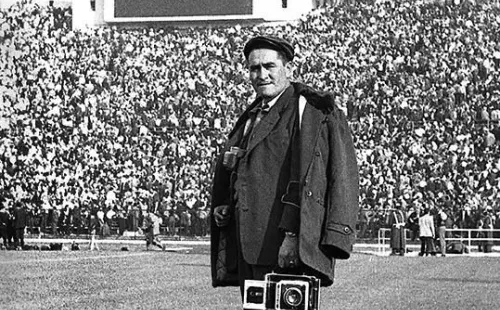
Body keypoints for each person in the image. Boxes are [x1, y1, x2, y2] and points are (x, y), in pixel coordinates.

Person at [210, 36, 359, 297]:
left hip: (282, 246)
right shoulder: (252, 115)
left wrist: (292, 236)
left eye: (270, 66)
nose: (262, 75)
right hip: (251, 247)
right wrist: (227, 204)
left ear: (287, 67)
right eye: (254, 68)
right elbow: (251, 170)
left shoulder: (305, 110)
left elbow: (304, 177)